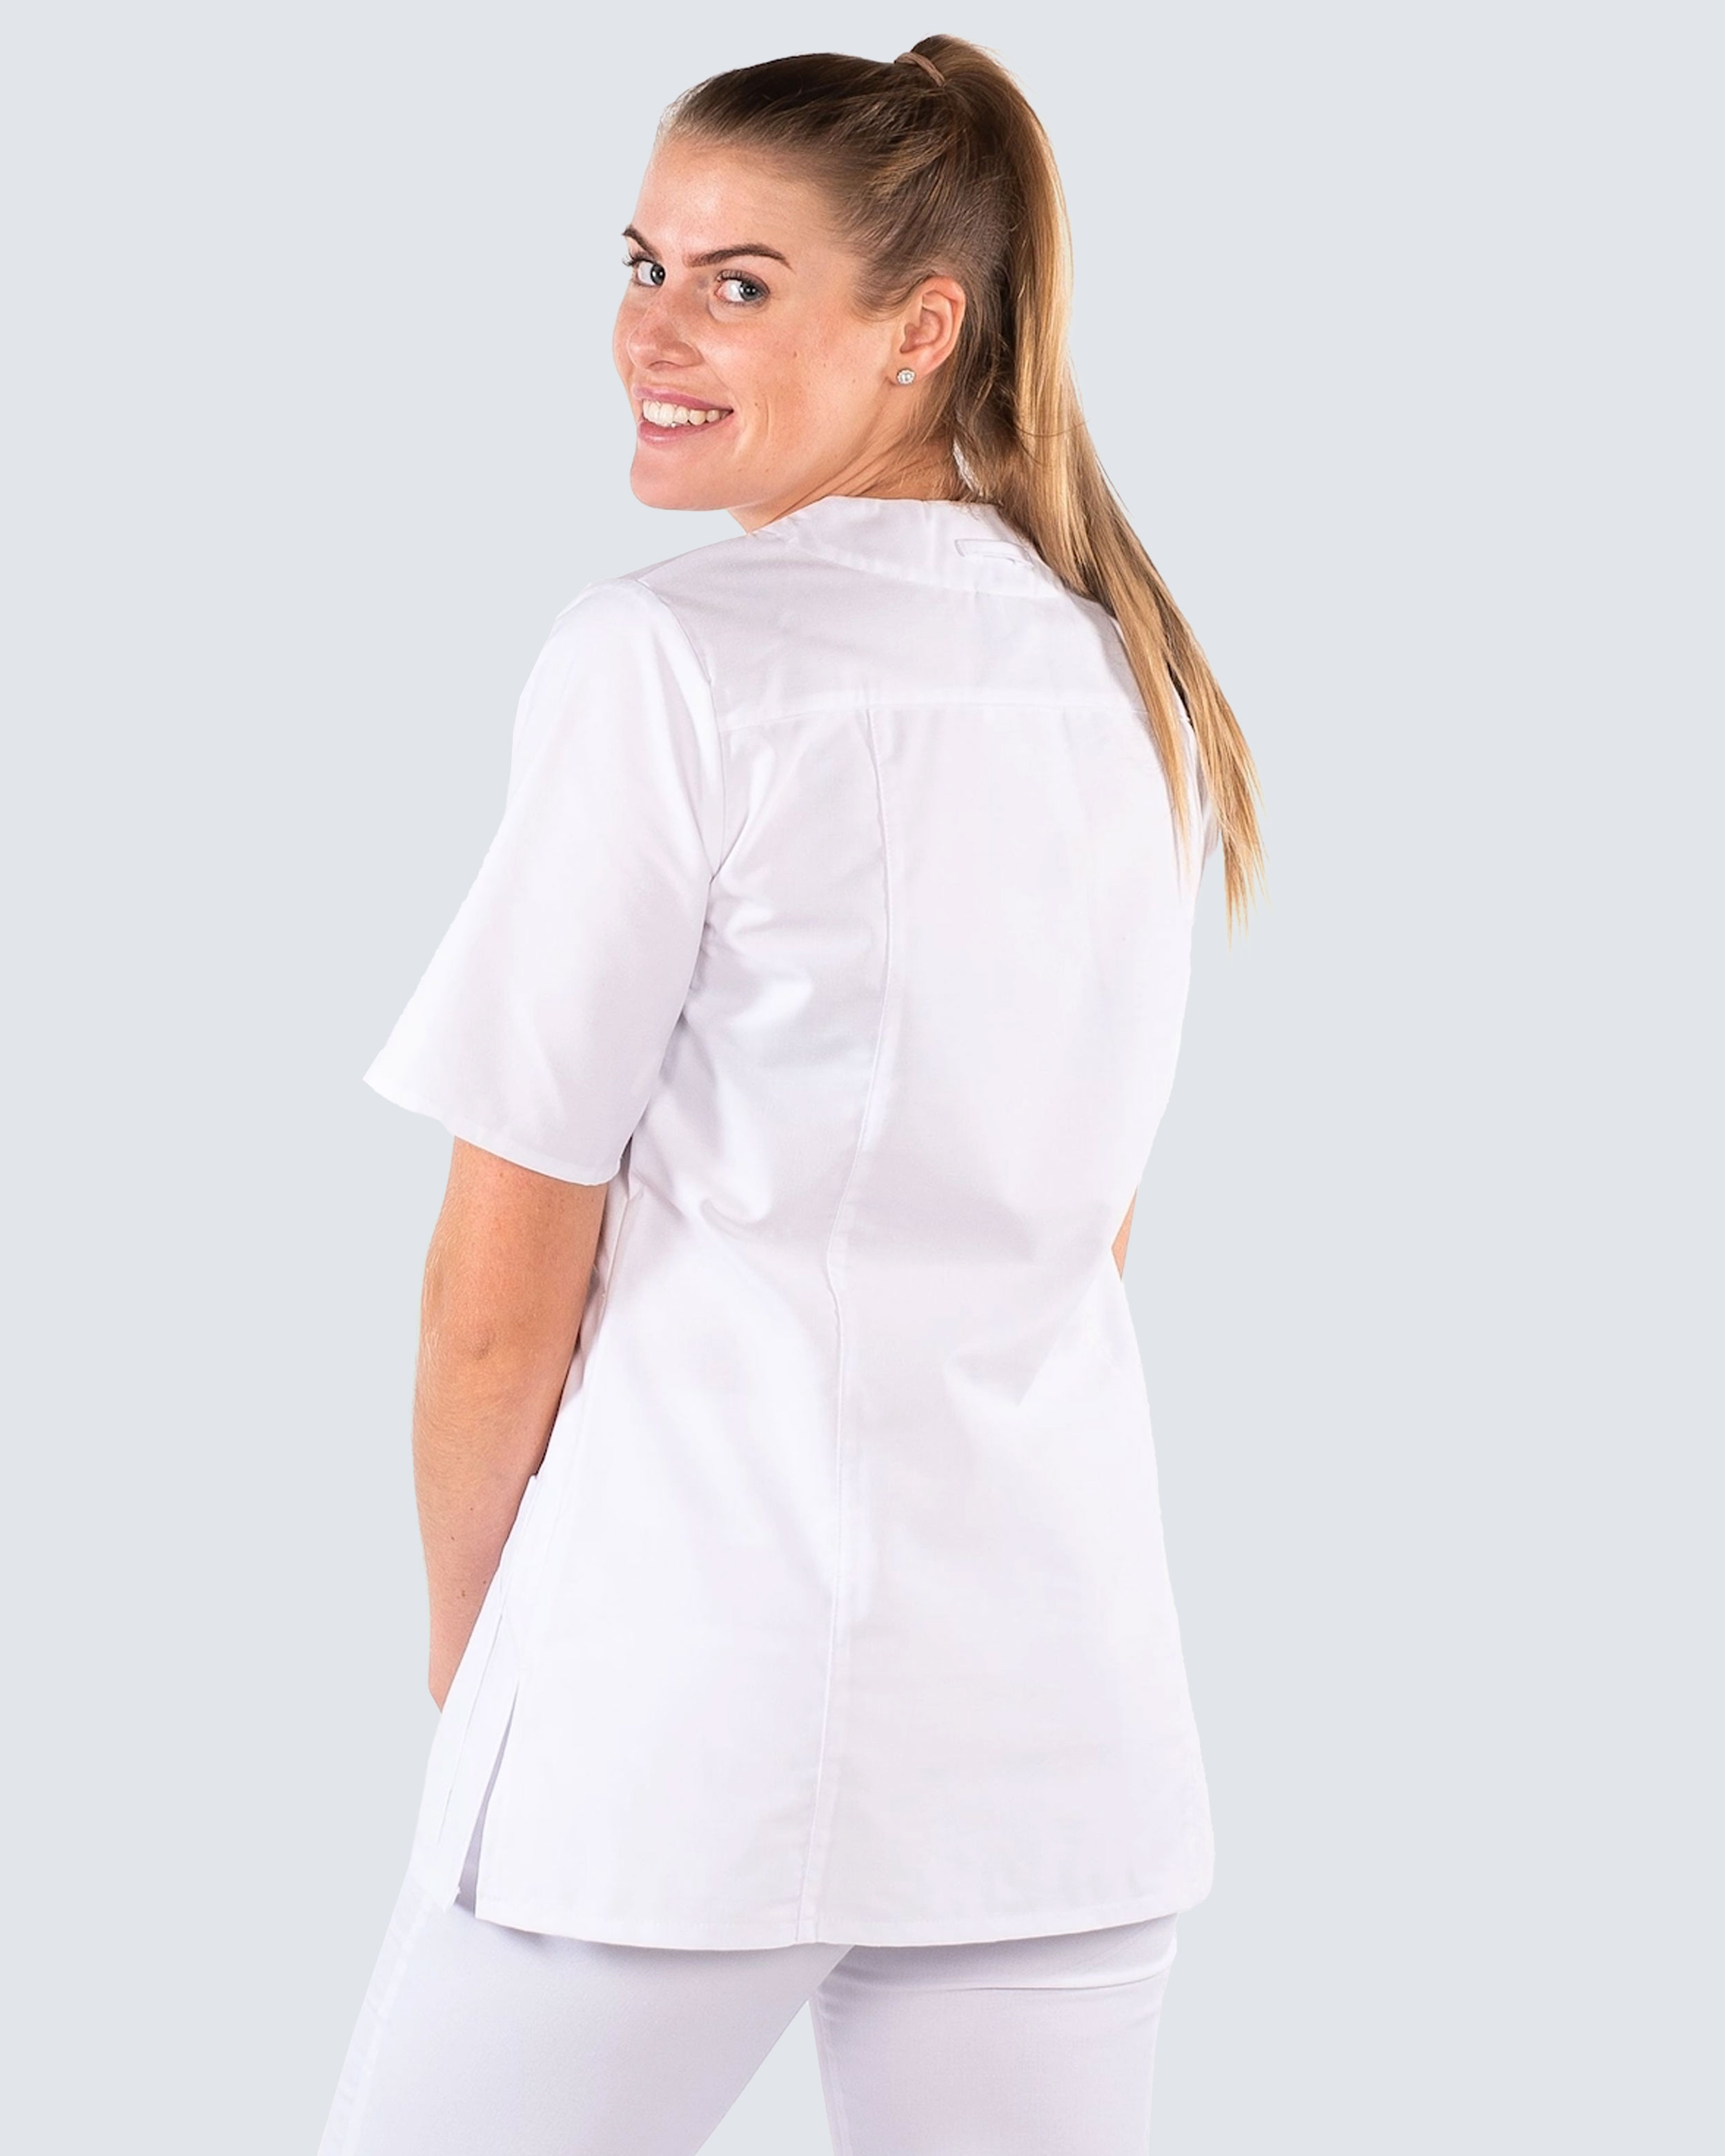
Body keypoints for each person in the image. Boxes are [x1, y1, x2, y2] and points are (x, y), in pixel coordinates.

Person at [318, 34, 1264, 2156]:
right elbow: (1084, 1223)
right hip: (1053, 1730)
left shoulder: (669, 661)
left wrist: (487, 1675)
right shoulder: (1130, 674)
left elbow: (497, 1292)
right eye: (641, 264)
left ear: (921, 330)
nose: (652, 331)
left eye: (738, 284)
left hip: (679, 1722)